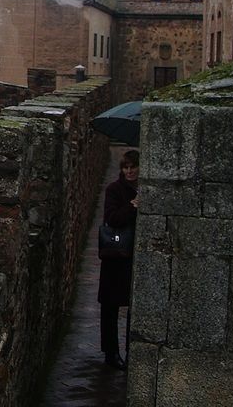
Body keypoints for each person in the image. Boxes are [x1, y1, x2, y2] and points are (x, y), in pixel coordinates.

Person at [98, 148, 138, 370]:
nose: (130, 171)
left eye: (133, 167)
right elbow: (111, 218)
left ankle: (134, 351)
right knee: (110, 306)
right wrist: (132, 207)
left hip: (133, 256)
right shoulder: (114, 190)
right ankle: (111, 353)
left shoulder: (146, 189)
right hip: (116, 256)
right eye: (126, 167)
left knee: (135, 307)